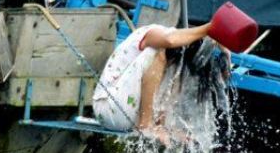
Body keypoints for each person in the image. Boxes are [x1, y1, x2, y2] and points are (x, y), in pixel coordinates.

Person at [93, 22, 227, 141]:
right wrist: (209, 29)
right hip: (109, 107)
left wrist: (226, 54)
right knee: (157, 51)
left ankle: (159, 126)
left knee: (177, 70)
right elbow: (170, 40)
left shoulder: (173, 59)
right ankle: (146, 125)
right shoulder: (154, 32)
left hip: (128, 114)